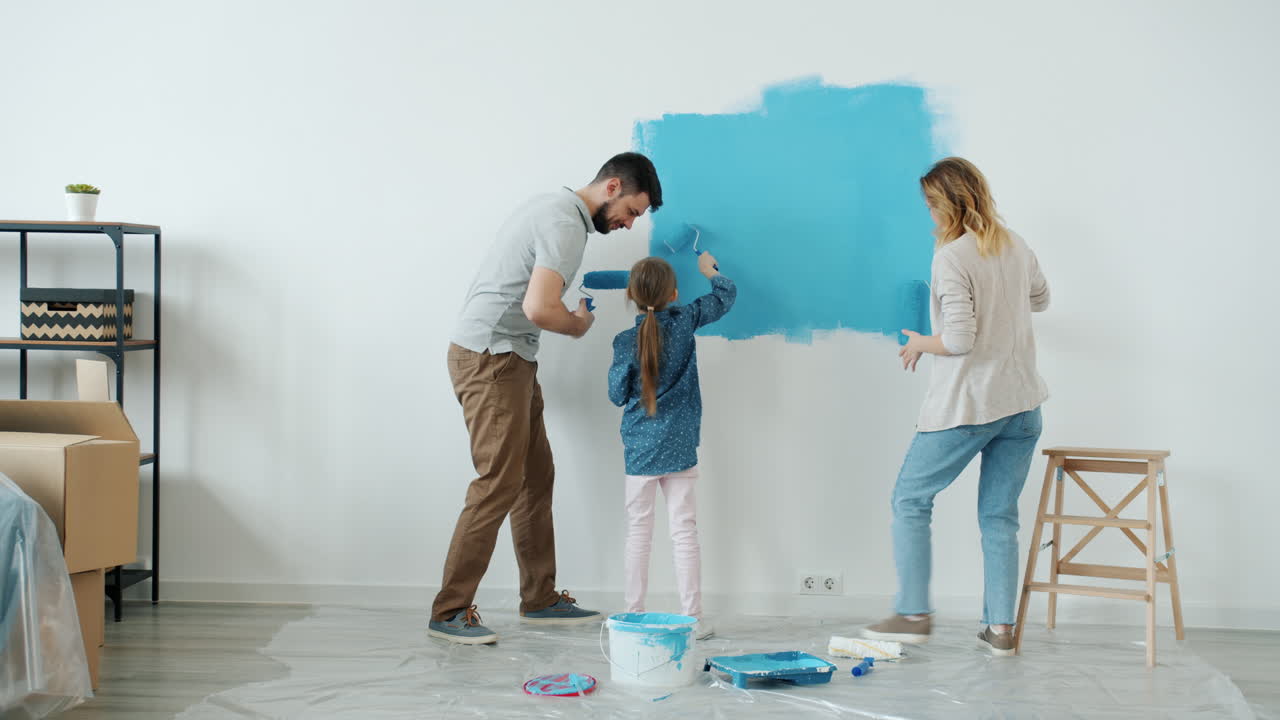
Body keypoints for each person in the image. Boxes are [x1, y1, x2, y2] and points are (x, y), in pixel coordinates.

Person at [428, 153, 663, 645]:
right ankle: (449, 611)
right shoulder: (563, 222)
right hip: (491, 356)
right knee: (499, 481)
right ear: (613, 186)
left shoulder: (557, 211)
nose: (628, 224)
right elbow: (539, 307)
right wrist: (577, 326)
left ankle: (539, 597)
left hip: (509, 357)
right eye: (633, 212)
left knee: (535, 477)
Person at [862, 157, 1050, 657]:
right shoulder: (1016, 244)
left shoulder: (953, 257)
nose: (929, 216)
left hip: (972, 404)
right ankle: (1001, 630)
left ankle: (912, 614)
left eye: (931, 205)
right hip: (1023, 404)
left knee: (909, 499)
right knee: (999, 517)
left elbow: (962, 340)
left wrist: (923, 343)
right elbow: (1042, 298)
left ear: (949, 204)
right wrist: (1004, 301)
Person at [607, 252, 736, 641]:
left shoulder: (625, 341)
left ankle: (632, 616)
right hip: (680, 447)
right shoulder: (685, 322)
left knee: (638, 533)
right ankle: (693, 619)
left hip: (641, 450)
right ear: (675, 294)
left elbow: (616, 394)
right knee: (684, 532)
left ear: (631, 295)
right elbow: (725, 296)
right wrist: (711, 271)